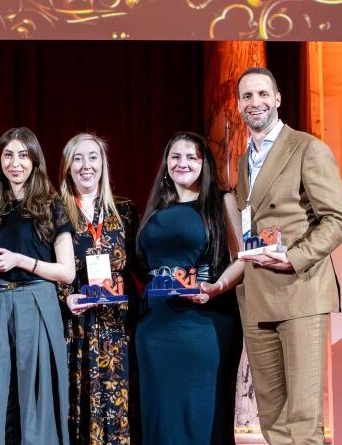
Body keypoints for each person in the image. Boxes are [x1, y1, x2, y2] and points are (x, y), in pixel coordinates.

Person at [235, 67, 342, 444]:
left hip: (300, 290)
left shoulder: (307, 148)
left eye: (262, 94)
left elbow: (337, 220)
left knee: (303, 418)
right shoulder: (243, 161)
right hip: (259, 296)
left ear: (278, 99)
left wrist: (294, 257)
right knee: (273, 418)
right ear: (239, 105)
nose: (255, 102)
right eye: (247, 96)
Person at [134, 131, 243, 444]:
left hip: (203, 322)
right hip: (154, 325)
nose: (182, 163)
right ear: (166, 162)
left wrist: (216, 287)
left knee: (201, 415)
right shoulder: (156, 208)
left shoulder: (222, 201)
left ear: (204, 162)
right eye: (175, 157)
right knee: (160, 418)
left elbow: (242, 259)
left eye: (191, 157)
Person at [0, 127, 76, 445]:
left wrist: (20, 260)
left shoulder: (51, 206)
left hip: (36, 302)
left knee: (36, 400)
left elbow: (67, 272)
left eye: (23, 155)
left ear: (34, 160)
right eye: (8, 155)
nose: (15, 163)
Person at [58, 133, 140, 445]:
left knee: (121, 405)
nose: (86, 165)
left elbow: (139, 266)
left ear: (103, 164)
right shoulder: (56, 212)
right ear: (68, 166)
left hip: (119, 326)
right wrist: (65, 298)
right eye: (77, 158)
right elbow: (48, 267)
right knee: (78, 403)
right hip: (77, 326)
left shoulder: (126, 211)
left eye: (93, 157)